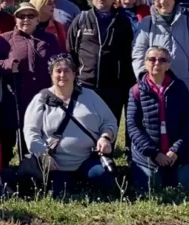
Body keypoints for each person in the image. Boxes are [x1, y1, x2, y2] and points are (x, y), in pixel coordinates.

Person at [20, 54, 117, 197]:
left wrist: (105, 137)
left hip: (87, 159)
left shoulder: (90, 96)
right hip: (56, 164)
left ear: (74, 74)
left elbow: (110, 121)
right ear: (51, 75)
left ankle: (83, 182)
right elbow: (31, 132)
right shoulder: (41, 99)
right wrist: (43, 156)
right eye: (58, 71)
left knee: (106, 180)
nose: (62, 75)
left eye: (67, 71)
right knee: (58, 194)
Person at [0, 2, 62, 163]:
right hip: (13, 99)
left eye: (31, 16)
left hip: (42, 100)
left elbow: (61, 60)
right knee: (6, 142)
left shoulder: (49, 39)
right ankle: (4, 174)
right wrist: (7, 65)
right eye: (22, 16)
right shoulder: (5, 39)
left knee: (35, 140)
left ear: (37, 19)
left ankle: (35, 173)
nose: (26, 19)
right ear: (15, 19)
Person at [127, 46, 189, 193]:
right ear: (145, 63)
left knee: (184, 189)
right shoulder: (135, 91)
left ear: (168, 65)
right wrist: (155, 153)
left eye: (162, 60)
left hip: (177, 154)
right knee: (150, 189)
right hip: (148, 155)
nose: (157, 63)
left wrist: (175, 150)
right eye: (152, 59)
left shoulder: (180, 88)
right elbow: (133, 127)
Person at [67, 0, 136, 124]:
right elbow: (71, 51)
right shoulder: (81, 20)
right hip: (86, 85)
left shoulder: (123, 21)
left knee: (109, 126)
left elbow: (128, 54)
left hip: (113, 87)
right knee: (85, 125)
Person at [133, 0, 189, 106]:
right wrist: (144, 77)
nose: (162, 2)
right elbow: (138, 52)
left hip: (185, 85)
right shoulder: (147, 23)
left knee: (185, 124)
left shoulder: (188, 23)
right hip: (154, 86)